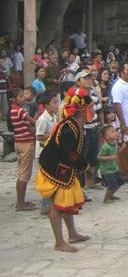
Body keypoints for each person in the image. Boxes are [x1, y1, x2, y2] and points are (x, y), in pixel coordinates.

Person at [35, 86, 91, 252]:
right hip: (54, 167)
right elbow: (69, 153)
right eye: (89, 108)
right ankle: (59, 242)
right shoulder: (69, 128)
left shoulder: (75, 124)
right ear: (82, 111)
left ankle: (72, 234)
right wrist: (85, 166)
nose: (92, 110)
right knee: (57, 205)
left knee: (67, 202)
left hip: (64, 167)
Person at [9, 88, 37, 211]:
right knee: (24, 174)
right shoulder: (20, 110)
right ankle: (20, 203)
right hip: (26, 143)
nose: (23, 98)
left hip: (19, 142)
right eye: (20, 96)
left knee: (21, 173)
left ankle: (21, 201)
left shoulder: (12, 110)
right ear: (15, 99)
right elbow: (33, 122)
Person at [35, 92, 59, 214]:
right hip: (43, 153)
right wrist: (51, 134)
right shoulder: (43, 119)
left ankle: (50, 204)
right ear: (46, 105)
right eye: (54, 103)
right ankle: (45, 206)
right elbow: (39, 136)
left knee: (52, 178)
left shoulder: (54, 116)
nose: (56, 105)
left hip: (52, 152)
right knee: (47, 179)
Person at [98, 125, 126, 204]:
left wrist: (122, 148)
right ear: (107, 136)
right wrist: (110, 157)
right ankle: (106, 198)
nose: (116, 133)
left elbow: (116, 153)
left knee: (120, 182)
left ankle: (111, 195)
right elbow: (99, 157)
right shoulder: (105, 147)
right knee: (112, 185)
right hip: (107, 170)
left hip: (114, 168)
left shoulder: (115, 143)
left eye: (115, 131)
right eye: (113, 132)